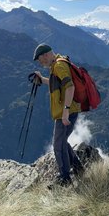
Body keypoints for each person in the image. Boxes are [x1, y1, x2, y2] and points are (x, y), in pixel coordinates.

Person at [32, 43, 80, 186]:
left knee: (58, 145)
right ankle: (79, 169)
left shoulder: (58, 66)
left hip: (65, 113)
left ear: (46, 55)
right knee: (62, 141)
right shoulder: (56, 65)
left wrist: (65, 112)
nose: (41, 63)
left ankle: (65, 178)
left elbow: (70, 87)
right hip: (68, 111)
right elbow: (56, 84)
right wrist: (41, 79)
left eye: (41, 60)